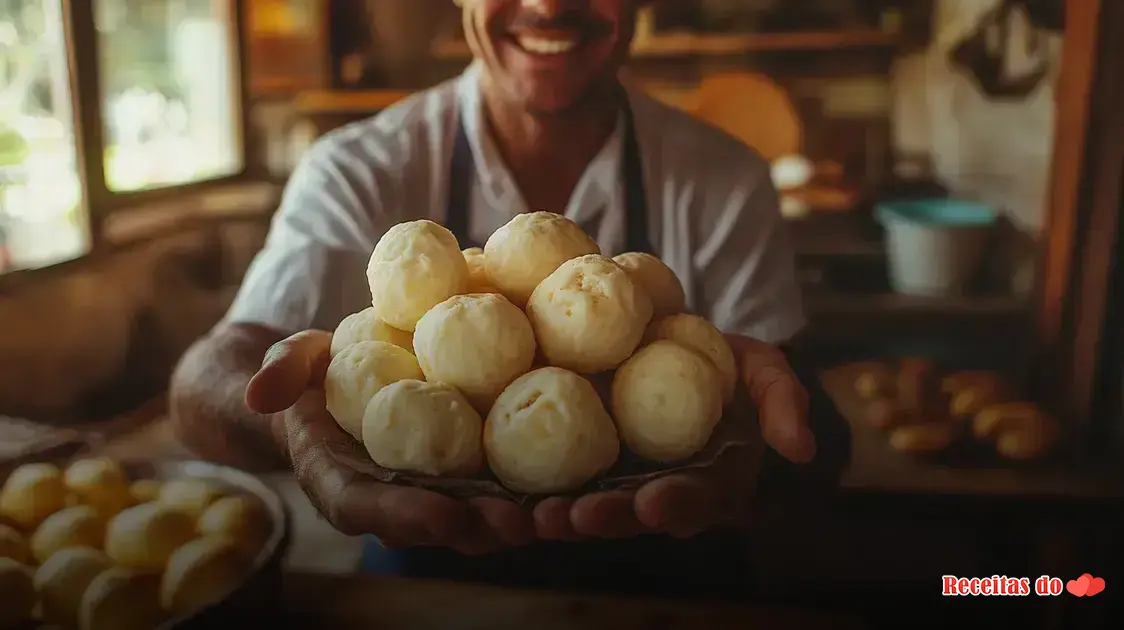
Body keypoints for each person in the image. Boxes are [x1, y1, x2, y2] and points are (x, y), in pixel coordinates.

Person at [170, 0, 850, 600]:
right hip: (429, 588)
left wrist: (766, 443)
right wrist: (287, 422)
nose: (549, 4)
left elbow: (812, 433)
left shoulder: (724, 178)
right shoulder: (358, 170)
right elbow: (206, 380)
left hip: (673, 581)